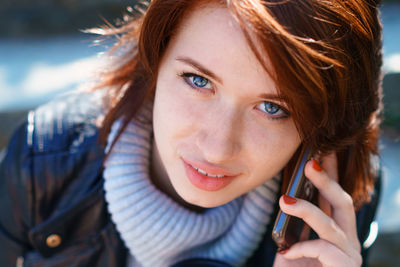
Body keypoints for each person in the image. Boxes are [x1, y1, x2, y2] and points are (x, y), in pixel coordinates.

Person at [0, 0, 383, 266]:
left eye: (273, 108)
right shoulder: (44, 164)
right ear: (157, 55)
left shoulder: (334, 212)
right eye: (198, 80)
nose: (217, 149)